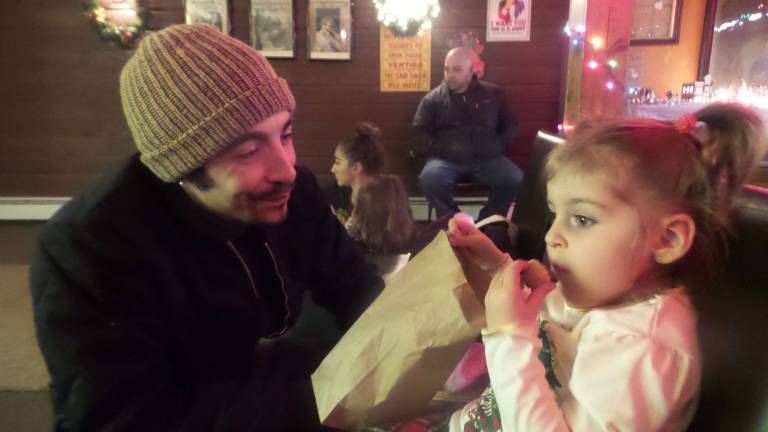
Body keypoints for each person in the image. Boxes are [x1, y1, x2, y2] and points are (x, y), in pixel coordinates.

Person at [29, 24, 383, 432]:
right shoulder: (87, 248)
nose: (286, 169)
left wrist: (403, 349)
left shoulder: (295, 190)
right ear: (183, 169)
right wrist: (329, 400)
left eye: (285, 134)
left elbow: (356, 288)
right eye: (249, 151)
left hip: (258, 372)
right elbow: (125, 418)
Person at [445, 103, 767, 431]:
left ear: (667, 239)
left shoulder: (642, 348)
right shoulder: (602, 291)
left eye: (582, 219)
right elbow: (538, 319)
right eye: (555, 214)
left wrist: (508, 338)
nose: (553, 235)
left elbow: (522, 339)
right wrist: (496, 265)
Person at [413, 47, 523, 221]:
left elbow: (511, 124)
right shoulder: (432, 100)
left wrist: (497, 146)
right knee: (429, 179)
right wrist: (441, 151)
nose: (450, 74)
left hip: (488, 159)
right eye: (447, 69)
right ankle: (455, 221)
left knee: (514, 178)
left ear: (472, 71)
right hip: (446, 160)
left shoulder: (495, 94)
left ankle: (487, 221)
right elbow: (420, 132)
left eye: (457, 70)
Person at [330, 122, 386, 224]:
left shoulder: (379, 208)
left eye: (338, 162)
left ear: (356, 168)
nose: (333, 169)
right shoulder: (343, 195)